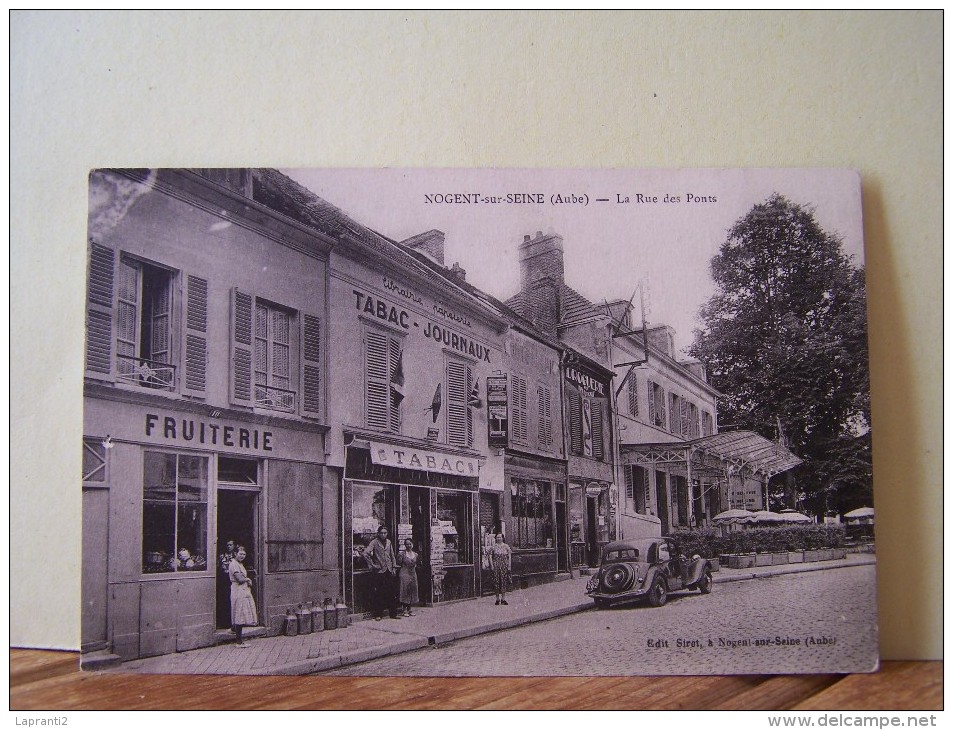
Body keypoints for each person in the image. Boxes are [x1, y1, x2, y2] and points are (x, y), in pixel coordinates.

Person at [364, 526, 399, 620]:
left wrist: (394, 568)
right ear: (378, 533)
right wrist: (373, 565)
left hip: (389, 570)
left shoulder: (389, 542)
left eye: (385, 533)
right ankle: (378, 614)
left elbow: (392, 555)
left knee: (391, 592)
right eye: (381, 533)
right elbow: (366, 553)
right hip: (380, 571)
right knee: (379, 593)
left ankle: (393, 614)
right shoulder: (374, 542)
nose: (383, 535)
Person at [229, 545, 258, 647]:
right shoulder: (234, 564)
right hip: (238, 590)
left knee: (239, 612)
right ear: (235, 554)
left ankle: (234, 630)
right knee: (239, 613)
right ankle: (239, 642)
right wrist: (248, 579)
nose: (242, 556)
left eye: (244, 554)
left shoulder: (239, 564)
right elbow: (240, 579)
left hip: (242, 590)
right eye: (240, 554)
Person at [488, 532, 513, 605]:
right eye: (497, 537)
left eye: (500, 537)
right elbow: (489, 555)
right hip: (496, 565)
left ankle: (503, 599)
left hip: (504, 565)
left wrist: (509, 566)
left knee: (503, 581)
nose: (499, 539)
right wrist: (492, 565)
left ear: (503, 538)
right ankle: (497, 599)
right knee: (496, 581)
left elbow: (509, 556)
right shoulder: (493, 547)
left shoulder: (506, 546)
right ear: (495, 538)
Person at [397, 538, 419, 617]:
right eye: (407, 544)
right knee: (404, 591)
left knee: (412, 590)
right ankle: (404, 610)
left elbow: (416, 564)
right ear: (405, 545)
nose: (408, 546)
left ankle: (410, 609)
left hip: (413, 574)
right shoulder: (402, 554)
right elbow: (398, 563)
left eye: (410, 544)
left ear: (412, 544)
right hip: (404, 573)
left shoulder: (415, 554)